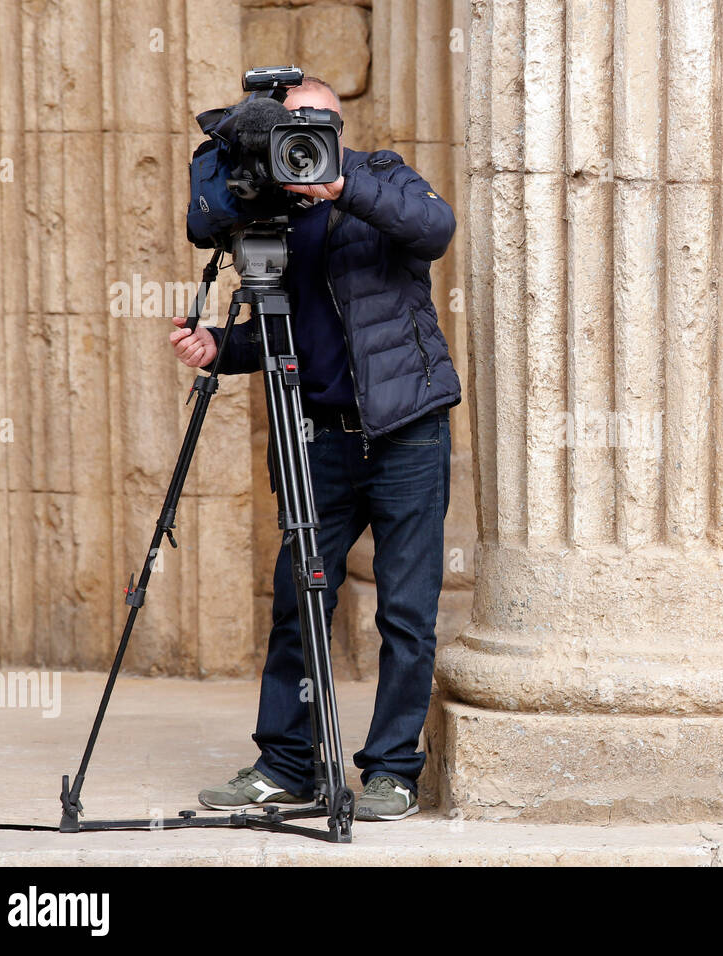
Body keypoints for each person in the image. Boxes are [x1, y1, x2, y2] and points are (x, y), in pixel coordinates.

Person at [169, 76, 459, 821]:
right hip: (317, 440)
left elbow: (433, 228)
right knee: (299, 607)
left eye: (319, 124)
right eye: (291, 128)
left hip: (407, 432)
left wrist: (342, 184)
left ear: (341, 127)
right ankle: (286, 764)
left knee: (405, 611)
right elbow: (281, 330)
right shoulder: (270, 213)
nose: (305, 140)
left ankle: (392, 772)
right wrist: (218, 348)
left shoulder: (382, 176)